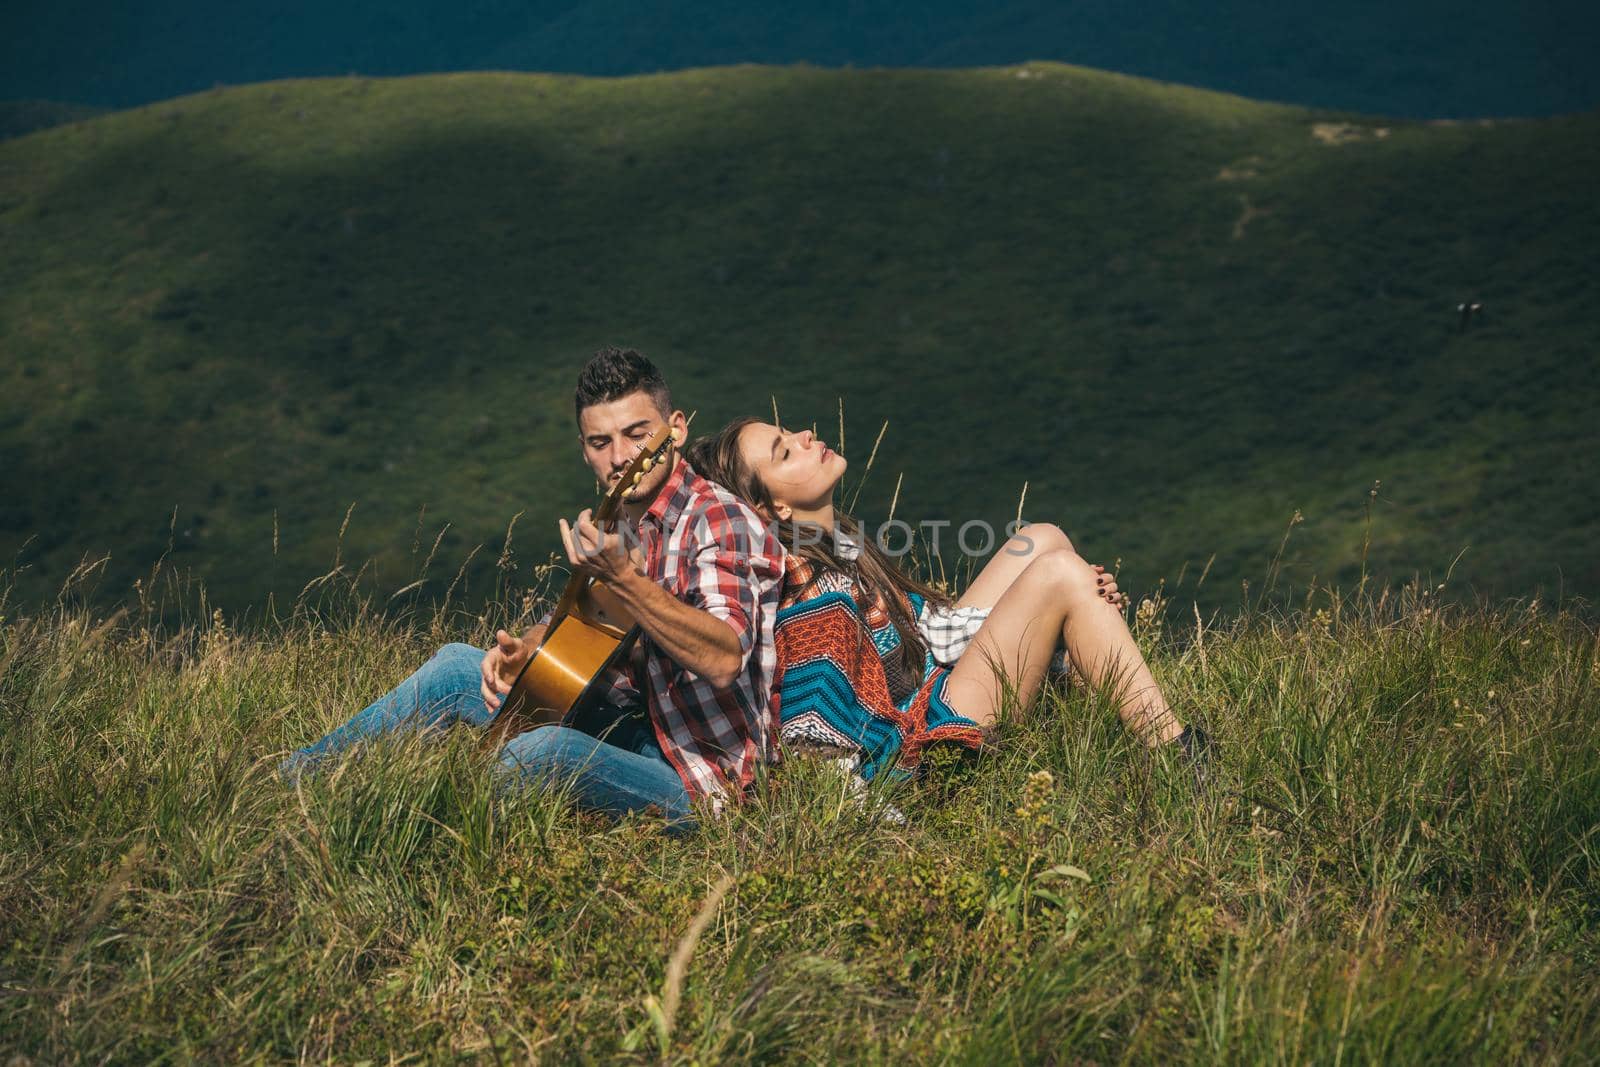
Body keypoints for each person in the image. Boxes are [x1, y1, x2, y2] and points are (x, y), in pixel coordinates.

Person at [281, 350, 786, 826]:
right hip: (645, 729)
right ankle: (292, 784)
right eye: (600, 442)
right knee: (458, 663)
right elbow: (584, 630)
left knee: (540, 752)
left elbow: (723, 658)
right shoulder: (623, 522)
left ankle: (423, 836)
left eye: (637, 435)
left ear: (675, 430)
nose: (620, 457)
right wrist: (526, 652)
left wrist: (625, 580)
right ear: (584, 450)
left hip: (709, 784)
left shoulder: (716, 519)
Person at [684, 417, 1211, 783]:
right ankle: (1176, 756)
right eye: (784, 451)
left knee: (1042, 540)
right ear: (770, 505)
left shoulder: (837, 548)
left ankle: (1083, 662)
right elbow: (817, 733)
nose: (805, 436)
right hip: (934, 747)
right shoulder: (813, 602)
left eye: (789, 434)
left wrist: (1060, 616)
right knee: (1059, 575)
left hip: (933, 680)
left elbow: (920, 633)